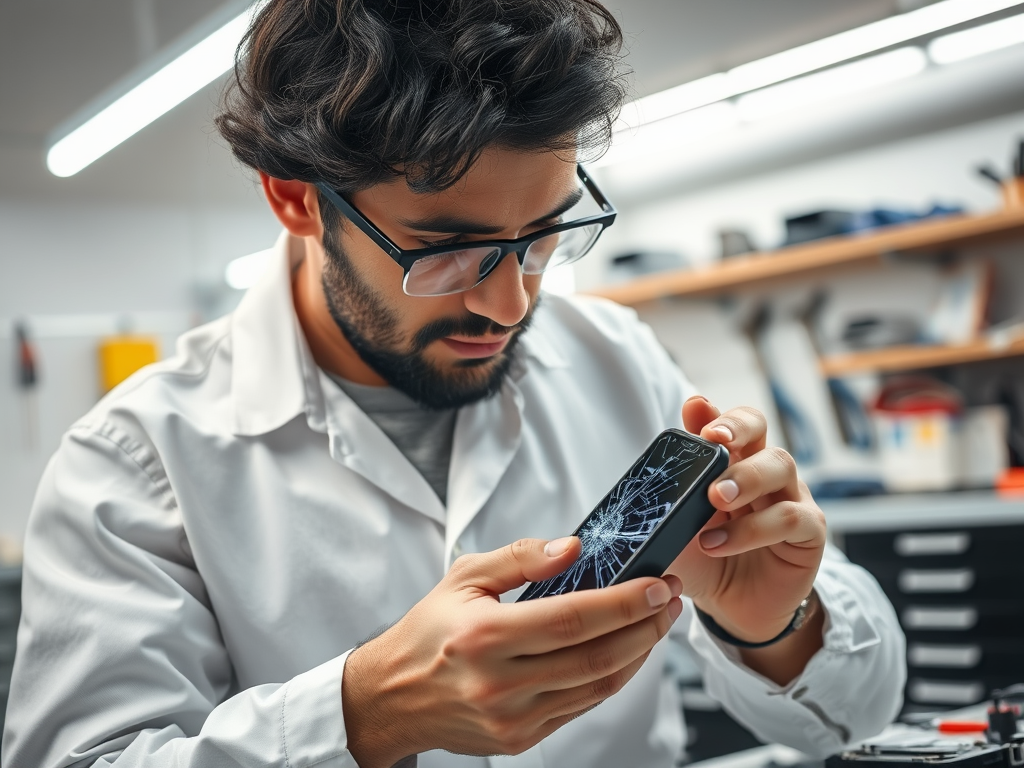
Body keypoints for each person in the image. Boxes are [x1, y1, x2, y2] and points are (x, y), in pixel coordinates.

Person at [2, 1, 906, 767]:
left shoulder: (615, 355)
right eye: (448, 251)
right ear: (294, 196)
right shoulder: (131, 461)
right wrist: (363, 716)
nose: (510, 304)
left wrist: (776, 629)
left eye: (544, 235)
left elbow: (859, 716)